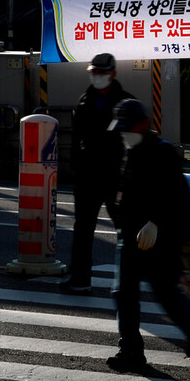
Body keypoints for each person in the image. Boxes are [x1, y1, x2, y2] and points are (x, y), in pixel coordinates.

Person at [104, 99, 190, 372]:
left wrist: (155, 223)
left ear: (144, 124)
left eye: (129, 127)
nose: (124, 133)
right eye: (121, 128)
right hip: (130, 233)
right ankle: (131, 351)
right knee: (123, 292)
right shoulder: (126, 150)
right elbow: (116, 189)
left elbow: (172, 195)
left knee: (165, 291)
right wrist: (120, 221)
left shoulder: (163, 152)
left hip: (160, 236)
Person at [60, 53, 134, 294]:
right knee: (83, 229)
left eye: (102, 73)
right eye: (94, 73)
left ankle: (133, 278)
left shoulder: (126, 102)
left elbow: (135, 142)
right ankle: (80, 279)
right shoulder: (85, 100)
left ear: (112, 74)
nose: (97, 77)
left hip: (116, 176)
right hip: (88, 175)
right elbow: (75, 138)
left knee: (125, 228)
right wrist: (75, 165)